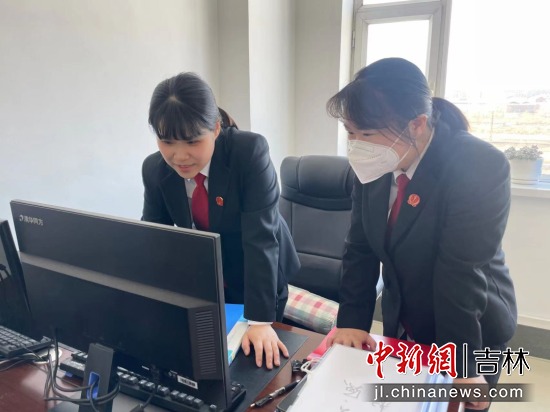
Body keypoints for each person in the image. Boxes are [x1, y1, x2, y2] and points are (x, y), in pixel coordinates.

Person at [325, 58, 517, 411]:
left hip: (469, 326)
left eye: (366, 134)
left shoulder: (478, 165)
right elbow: (360, 247)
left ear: (416, 125)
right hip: (405, 316)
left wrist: (463, 365)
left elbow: (460, 272)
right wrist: (352, 323)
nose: (356, 145)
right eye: (350, 132)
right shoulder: (374, 163)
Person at [141, 72, 300, 369]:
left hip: (258, 274)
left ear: (215, 128)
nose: (180, 156)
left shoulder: (248, 153)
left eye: (192, 141)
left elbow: (261, 239)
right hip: (208, 281)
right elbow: (155, 242)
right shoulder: (154, 170)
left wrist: (260, 320)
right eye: (167, 141)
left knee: (254, 364)